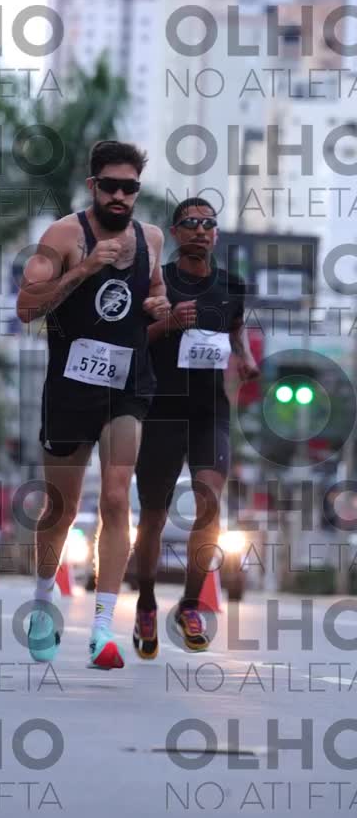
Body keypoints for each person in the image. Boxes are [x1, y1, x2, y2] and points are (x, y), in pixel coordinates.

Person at [17, 140, 169, 669]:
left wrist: (159, 303)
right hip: (70, 388)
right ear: (93, 186)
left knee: (116, 499)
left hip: (127, 386)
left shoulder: (151, 238)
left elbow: (155, 292)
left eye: (130, 188)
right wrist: (82, 270)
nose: (121, 196)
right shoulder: (64, 236)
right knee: (59, 507)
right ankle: (43, 605)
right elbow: (25, 308)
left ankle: (103, 629)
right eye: (111, 186)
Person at [132, 197, 260, 658]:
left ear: (216, 234)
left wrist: (244, 356)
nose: (201, 230)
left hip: (210, 412)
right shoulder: (157, 281)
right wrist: (168, 322)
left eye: (209, 223)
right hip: (160, 412)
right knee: (153, 516)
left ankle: (190, 605)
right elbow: (132, 340)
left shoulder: (231, 286)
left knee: (209, 504)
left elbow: (235, 327)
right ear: (176, 232)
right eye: (191, 223)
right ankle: (146, 603)